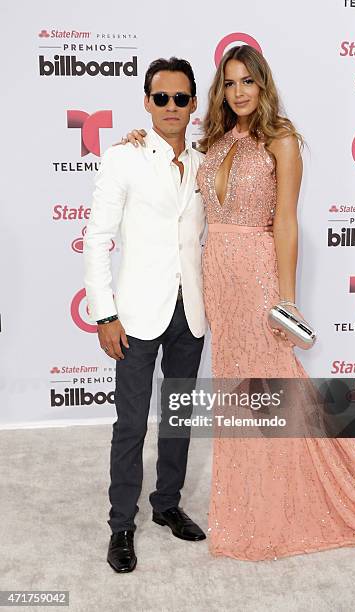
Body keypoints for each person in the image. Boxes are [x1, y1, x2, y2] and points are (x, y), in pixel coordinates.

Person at [123, 45, 355, 562]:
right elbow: (175, 164)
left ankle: (284, 496)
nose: (239, 92)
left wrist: (287, 298)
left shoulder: (283, 140)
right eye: (230, 84)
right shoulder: (213, 138)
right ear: (221, 91)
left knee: (274, 386)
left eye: (247, 82)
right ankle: (247, 497)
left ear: (263, 83)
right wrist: (140, 142)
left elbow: (286, 222)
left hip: (256, 276)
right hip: (215, 281)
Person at [83, 57, 207, 573]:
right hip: (134, 313)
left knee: (177, 415)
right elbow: (96, 239)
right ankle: (120, 525)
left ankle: (167, 505)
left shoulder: (207, 160)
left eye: (181, 98)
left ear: (194, 103)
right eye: (162, 98)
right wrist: (104, 314)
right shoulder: (123, 157)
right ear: (147, 102)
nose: (172, 107)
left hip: (191, 311)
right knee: (130, 424)